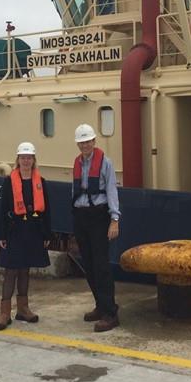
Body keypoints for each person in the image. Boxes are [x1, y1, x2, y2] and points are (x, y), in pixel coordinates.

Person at [0, 141, 51, 331]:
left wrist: (47, 234)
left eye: (29, 157)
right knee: (11, 270)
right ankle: (4, 313)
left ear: (33, 160)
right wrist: (1, 234)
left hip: (33, 230)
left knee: (25, 269)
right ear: (18, 159)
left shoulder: (40, 182)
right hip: (14, 230)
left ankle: (23, 309)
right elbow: (2, 209)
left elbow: (46, 210)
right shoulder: (9, 181)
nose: (26, 160)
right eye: (23, 157)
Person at [71, 123, 120, 332]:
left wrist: (114, 219)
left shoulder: (105, 163)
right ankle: (100, 306)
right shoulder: (77, 163)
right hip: (81, 216)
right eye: (81, 142)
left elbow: (111, 190)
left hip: (99, 216)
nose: (85, 145)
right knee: (88, 264)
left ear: (94, 142)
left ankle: (111, 313)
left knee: (101, 266)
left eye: (88, 141)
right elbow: (74, 190)